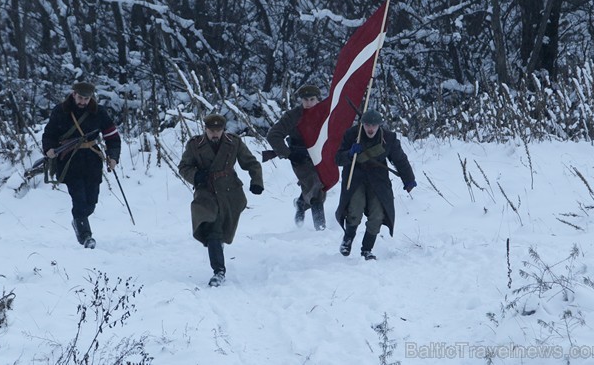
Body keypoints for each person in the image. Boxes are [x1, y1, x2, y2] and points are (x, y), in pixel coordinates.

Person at [178, 113, 264, 287]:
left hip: (230, 192)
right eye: (211, 130)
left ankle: (217, 246)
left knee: (223, 231)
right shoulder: (195, 145)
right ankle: (219, 271)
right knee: (212, 229)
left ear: (224, 130)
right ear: (205, 129)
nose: (215, 134)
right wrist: (196, 175)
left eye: (218, 130)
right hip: (206, 192)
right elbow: (183, 167)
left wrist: (256, 181)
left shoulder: (234, 142)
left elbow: (251, 163)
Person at [42, 82, 120, 249]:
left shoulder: (99, 112)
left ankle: (78, 221)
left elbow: (112, 137)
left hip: (92, 161)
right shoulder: (61, 111)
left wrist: (113, 157)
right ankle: (86, 236)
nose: (83, 102)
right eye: (80, 97)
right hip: (69, 161)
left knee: (91, 202)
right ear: (73, 94)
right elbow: (49, 134)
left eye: (86, 98)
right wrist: (49, 149)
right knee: (79, 200)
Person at [334, 109, 416, 260]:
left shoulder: (388, 138)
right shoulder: (352, 135)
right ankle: (347, 240)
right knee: (355, 211)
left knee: (378, 215)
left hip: (378, 180)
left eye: (374, 125)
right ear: (362, 124)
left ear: (379, 125)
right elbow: (338, 159)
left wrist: (408, 179)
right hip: (355, 178)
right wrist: (350, 154)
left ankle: (367, 250)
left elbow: (400, 159)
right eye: (367, 125)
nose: (370, 129)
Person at [266, 84, 327, 230]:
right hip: (301, 159)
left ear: (318, 99)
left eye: (312, 99)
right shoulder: (293, 116)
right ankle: (321, 229)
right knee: (316, 189)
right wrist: (289, 154)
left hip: (321, 157)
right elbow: (273, 135)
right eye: (305, 100)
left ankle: (301, 203)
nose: (309, 103)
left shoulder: (326, 114)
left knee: (320, 186)